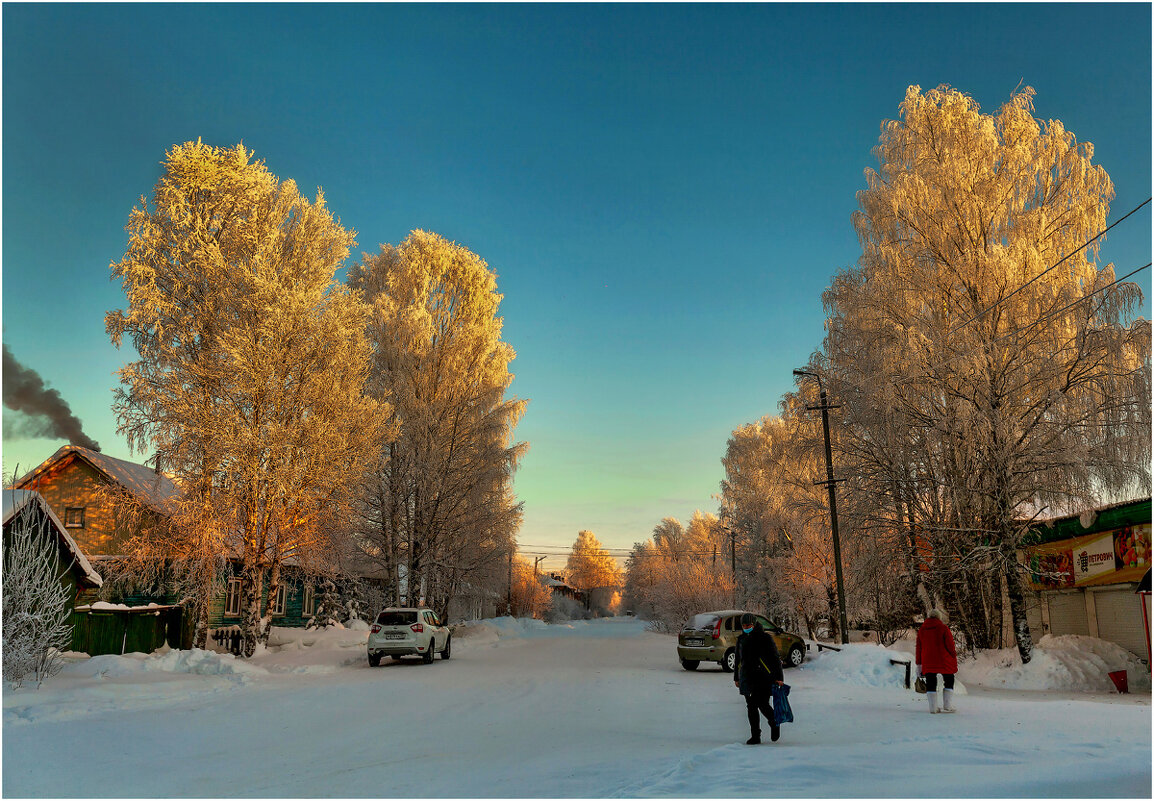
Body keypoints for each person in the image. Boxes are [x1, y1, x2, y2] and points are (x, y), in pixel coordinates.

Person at [733, 612, 785, 744]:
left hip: (763, 677)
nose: (746, 627)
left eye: (749, 624)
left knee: (762, 704)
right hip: (746, 677)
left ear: (754, 624)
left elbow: (775, 658)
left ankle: (774, 722)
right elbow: (738, 660)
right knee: (751, 706)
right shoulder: (741, 640)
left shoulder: (765, 638)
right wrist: (737, 677)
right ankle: (755, 735)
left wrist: (779, 677)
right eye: (744, 625)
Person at [915, 608, 958, 714]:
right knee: (949, 679)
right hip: (944, 659)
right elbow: (950, 645)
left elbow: (919, 648)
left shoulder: (922, 630)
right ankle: (947, 705)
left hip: (928, 659)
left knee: (931, 681)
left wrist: (919, 663)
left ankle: (933, 708)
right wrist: (953, 655)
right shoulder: (943, 628)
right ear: (939, 617)